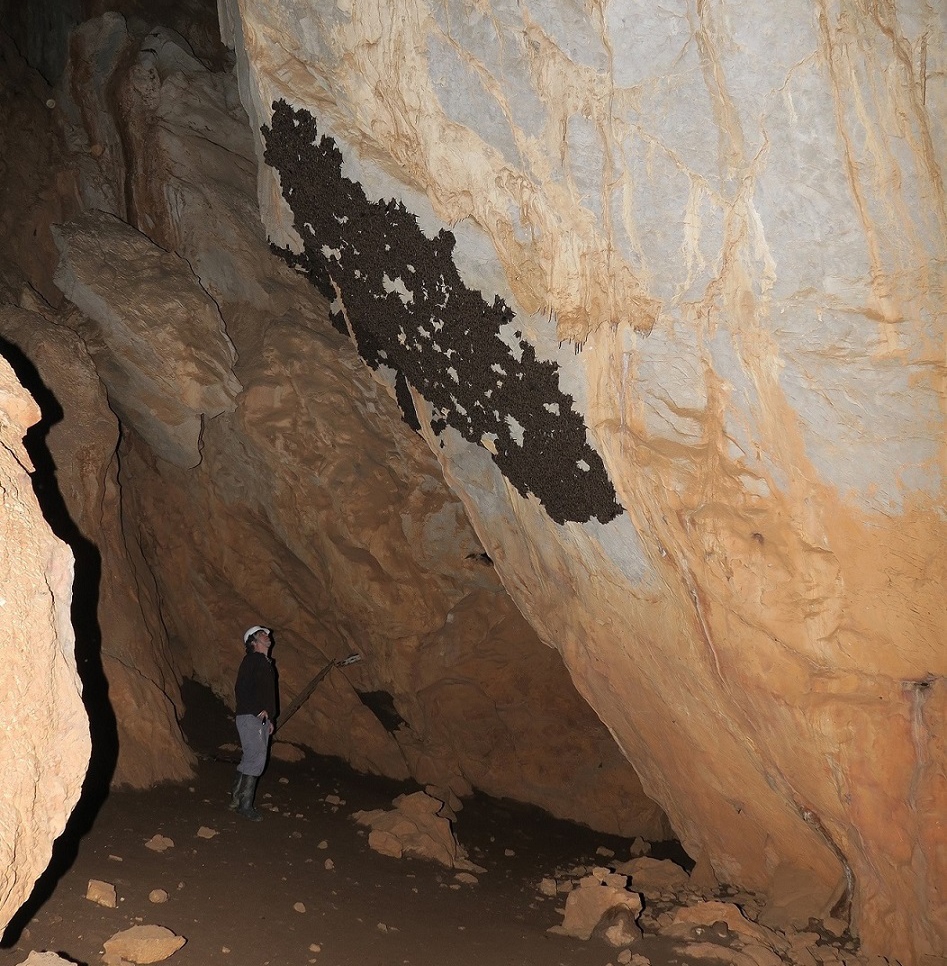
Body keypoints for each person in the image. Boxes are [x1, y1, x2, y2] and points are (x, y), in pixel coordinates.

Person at [229, 625, 277, 821]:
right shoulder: (252, 660)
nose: (268, 635)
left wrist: (270, 718)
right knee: (256, 758)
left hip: (258, 718)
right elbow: (241, 689)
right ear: (253, 642)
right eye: (262, 634)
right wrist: (258, 712)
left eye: (267, 633)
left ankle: (235, 799)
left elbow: (266, 695)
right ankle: (245, 805)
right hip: (251, 716)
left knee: (251, 757)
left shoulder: (265, 663)